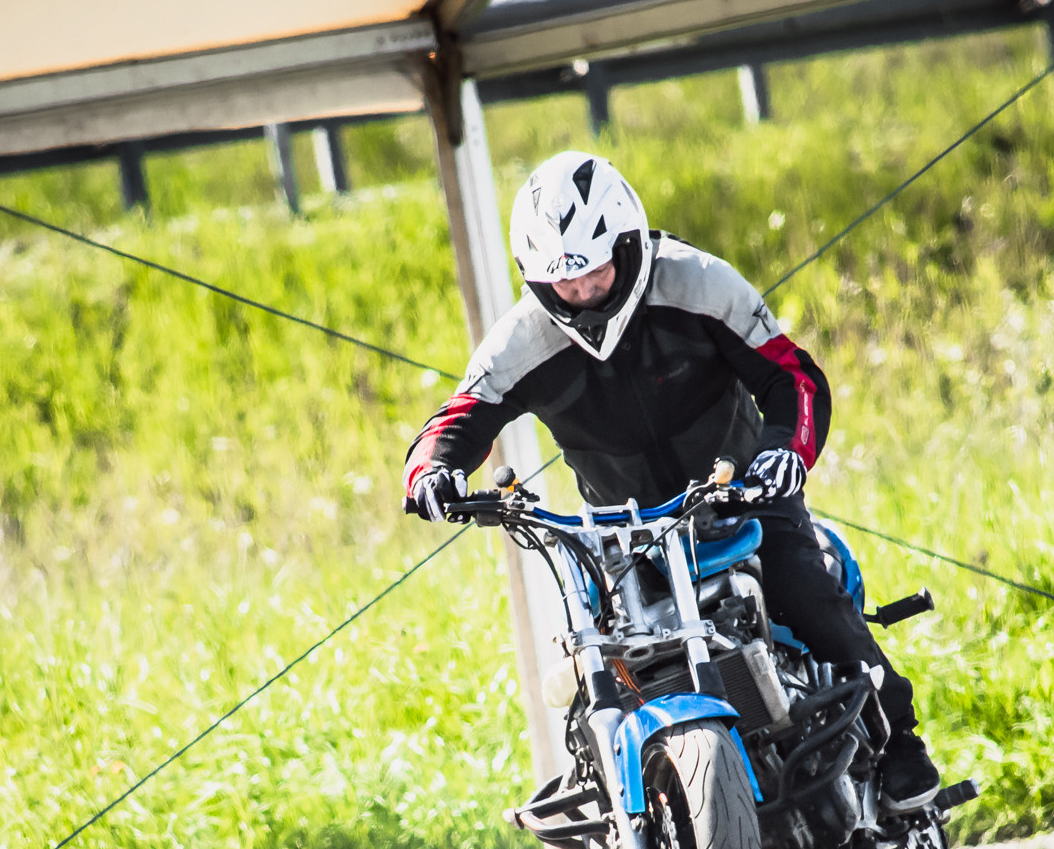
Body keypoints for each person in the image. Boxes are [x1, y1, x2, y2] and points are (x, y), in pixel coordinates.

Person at [401, 150, 939, 807]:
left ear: (627, 245)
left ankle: (900, 739)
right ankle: (627, 799)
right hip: (625, 536)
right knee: (599, 657)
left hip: (744, 499)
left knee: (805, 591)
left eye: (595, 272)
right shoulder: (522, 340)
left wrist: (783, 454)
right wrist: (434, 471)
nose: (583, 294)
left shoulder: (698, 282)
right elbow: (457, 420)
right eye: (564, 283)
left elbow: (791, 376)